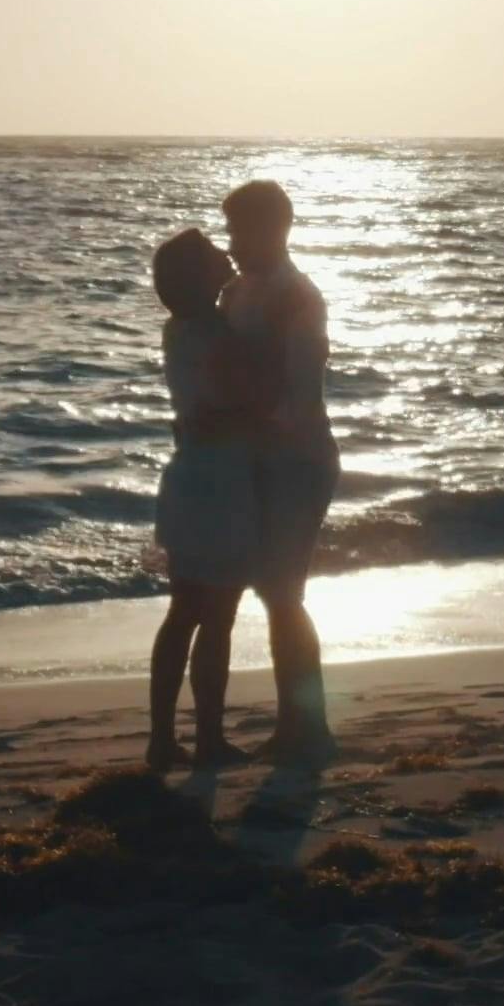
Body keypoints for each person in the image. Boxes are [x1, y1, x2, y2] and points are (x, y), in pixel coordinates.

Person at [218, 178, 340, 762]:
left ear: (275, 229)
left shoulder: (299, 297)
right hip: (255, 458)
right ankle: (296, 721)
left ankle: (307, 724)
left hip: (299, 459)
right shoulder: (236, 293)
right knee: (274, 591)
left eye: (240, 232)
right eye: (230, 231)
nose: (233, 244)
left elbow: (301, 394)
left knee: (284, 592)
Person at [144, 227, 267, 772]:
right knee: (216, 617)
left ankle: (164, 738)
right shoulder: (217, 334)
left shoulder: (179, 330)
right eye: (216, 253)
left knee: (184, 613)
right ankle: (209, 739)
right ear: (201, 276)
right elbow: (241, 405)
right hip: (221, 485)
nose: (227, 253)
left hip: (189, 479)